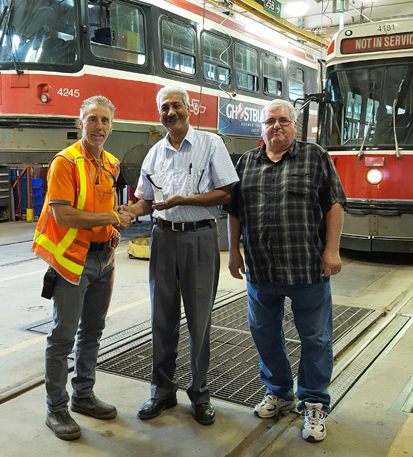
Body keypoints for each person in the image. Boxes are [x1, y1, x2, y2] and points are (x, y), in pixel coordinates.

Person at [226, 99, 346, 442]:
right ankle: (279, 392)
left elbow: (334, 204)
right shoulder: (246, 162)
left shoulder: (315, 156)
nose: (276, 126)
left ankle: (313, 401)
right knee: (264, 333)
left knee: (316, 338)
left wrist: (332, 250)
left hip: (307, 266)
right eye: (270, 121)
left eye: (283, 120)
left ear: (294, 125)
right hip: (262, 270)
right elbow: (234, 211)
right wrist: (233, 252)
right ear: (261, 128)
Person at [124, 86, 239, 426]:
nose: (170, 112)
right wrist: (129, 211)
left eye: (176, 105)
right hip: (163, 239)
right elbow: (146, 200)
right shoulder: (155, 154)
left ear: (189, 108)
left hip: (200, 238)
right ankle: (162, 391)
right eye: (164, 107)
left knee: (199, 319)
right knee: (162, 317)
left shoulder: (210, 144)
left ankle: (200, 394)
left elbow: (226, 193)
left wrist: (183, 201)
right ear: (159, 113)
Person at [32, 95, 134, 440]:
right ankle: (56, 408)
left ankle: (84, 396)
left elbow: (110, 207)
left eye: (105, 120)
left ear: (111, 126)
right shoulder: (65, 163)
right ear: (81, 123)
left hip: (103, 258)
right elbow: (64, 215)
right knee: (62, 337)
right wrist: (111, 217)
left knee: (92, 332)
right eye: (93, 119)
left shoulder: (111, 164)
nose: (99, 126)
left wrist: (116, 225)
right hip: (72, 262)